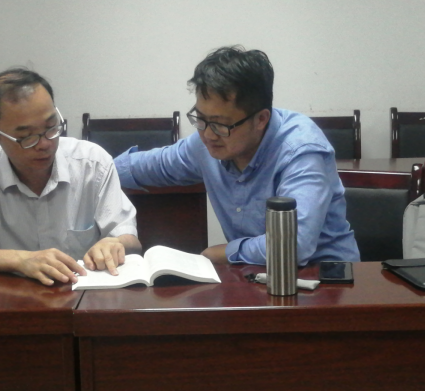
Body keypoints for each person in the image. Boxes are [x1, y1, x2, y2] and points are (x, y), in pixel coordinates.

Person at [115, 46, 360, 266]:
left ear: (261, 119)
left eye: (220, 124)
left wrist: (226, 252)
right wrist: (95, 170)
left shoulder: (300, 150)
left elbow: (293, 245)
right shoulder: (205, 144)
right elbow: (144, 166)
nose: (208, 134)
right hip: (255, 277)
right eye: (200, 119)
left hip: (327, 280)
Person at [0, 68, 141, 285]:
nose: (45, 144)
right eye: (26, 136)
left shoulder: (93, 163)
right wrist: (21, 260)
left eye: (51, 127)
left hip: (85, 293)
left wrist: (115, 243)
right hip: (13, 295)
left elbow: (129, 237)